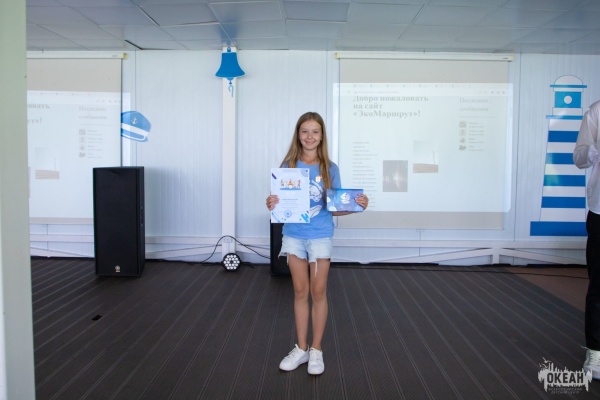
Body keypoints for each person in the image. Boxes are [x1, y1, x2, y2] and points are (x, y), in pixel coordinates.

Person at [266, 112, 368, 375]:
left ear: (322, 136)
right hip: (293, 236)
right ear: (298, 135)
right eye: (304, 131)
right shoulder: (288, 165)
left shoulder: (330, 168)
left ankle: (316, 349)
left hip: (320, 236)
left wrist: (356, 206)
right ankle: (301, 348)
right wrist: (271, 203)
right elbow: (279, 203)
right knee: (300, 292)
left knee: (318, 291)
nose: (309, 136)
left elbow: (335, 207)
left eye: (315, 132)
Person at [574, 99, 600, 380]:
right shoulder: (597, 111)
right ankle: (596, 354)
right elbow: (579, 157)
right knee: (599, 287)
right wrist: (594, 150)